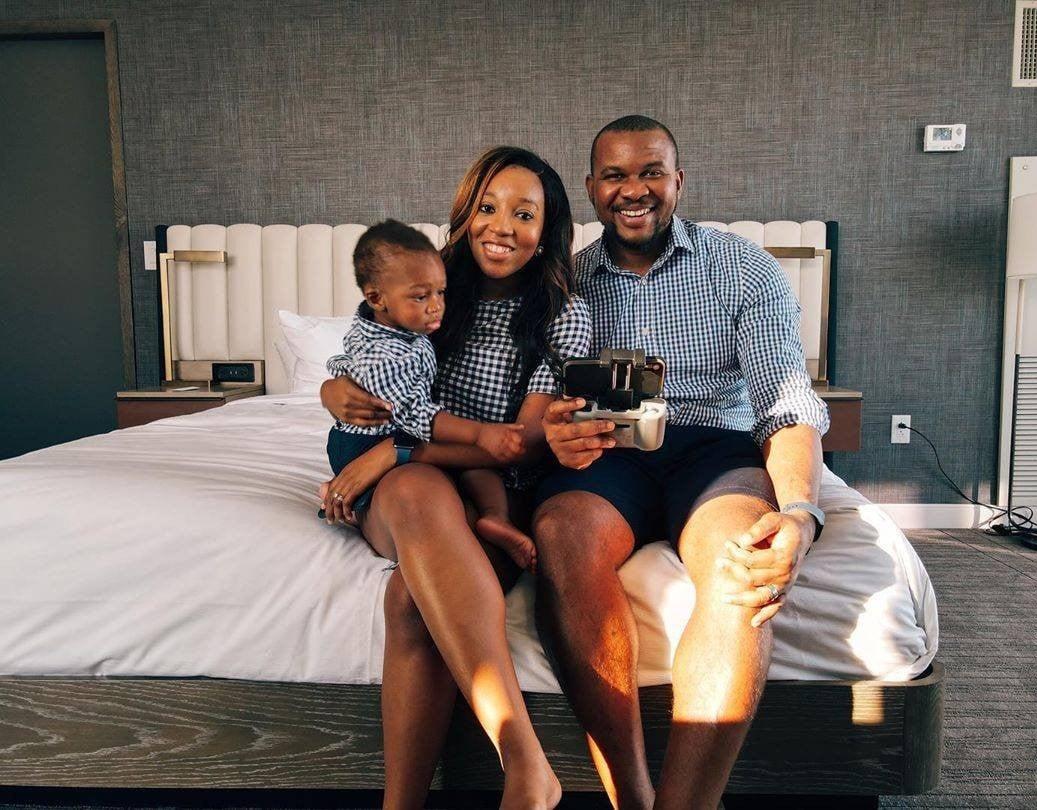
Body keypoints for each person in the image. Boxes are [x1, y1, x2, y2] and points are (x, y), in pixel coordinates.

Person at [532, 115, 831, 810]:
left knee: (744, 553)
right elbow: (530, 398)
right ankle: (632, 797)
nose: (633, 190)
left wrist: (801, 515)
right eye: (614, 175)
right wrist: (553, 429)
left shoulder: (742, 266)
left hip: (712, 448)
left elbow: (785, 401)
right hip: (609, 450)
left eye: (650, 172)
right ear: (591, 188)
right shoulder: (562, 281)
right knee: (561, 534)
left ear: (677, 181)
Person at [318, 146, 591, 810]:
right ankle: (527, 766)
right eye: (488, 208)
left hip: (489, 475)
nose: (502, 226)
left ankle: (425, 797)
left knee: (410, 601)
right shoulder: (427, 283)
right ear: (466, 214)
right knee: (412, 492)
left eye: (523, 214)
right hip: (416, 480)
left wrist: (398, 454)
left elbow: (524, 444)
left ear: (547, 228)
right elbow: (361, 358)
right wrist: (331, 391)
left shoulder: (563, 314)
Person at [323, 218, 535, 570]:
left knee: (475, 466)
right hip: (366, 443)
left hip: (402, 432)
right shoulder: (386, 357)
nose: (436, 305)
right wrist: (481, 432)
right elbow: (418, 416)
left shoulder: (402, 324)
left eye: (440, 292)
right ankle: (357, 508)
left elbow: (340, 359)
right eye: (421, 296)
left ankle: (495, 518)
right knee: (468, 454)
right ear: (377, 298)